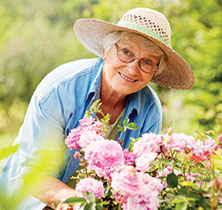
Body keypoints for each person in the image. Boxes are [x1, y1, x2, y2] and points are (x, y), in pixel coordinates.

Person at [0, 7, 194, 210]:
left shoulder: (150, 109)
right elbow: (35, 174)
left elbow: (139, 179)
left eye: (147, 62)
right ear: (106, 51)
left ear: (154, 71)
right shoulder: (60, 90)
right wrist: (77, 203)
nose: (132, 69)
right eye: (126, 52)